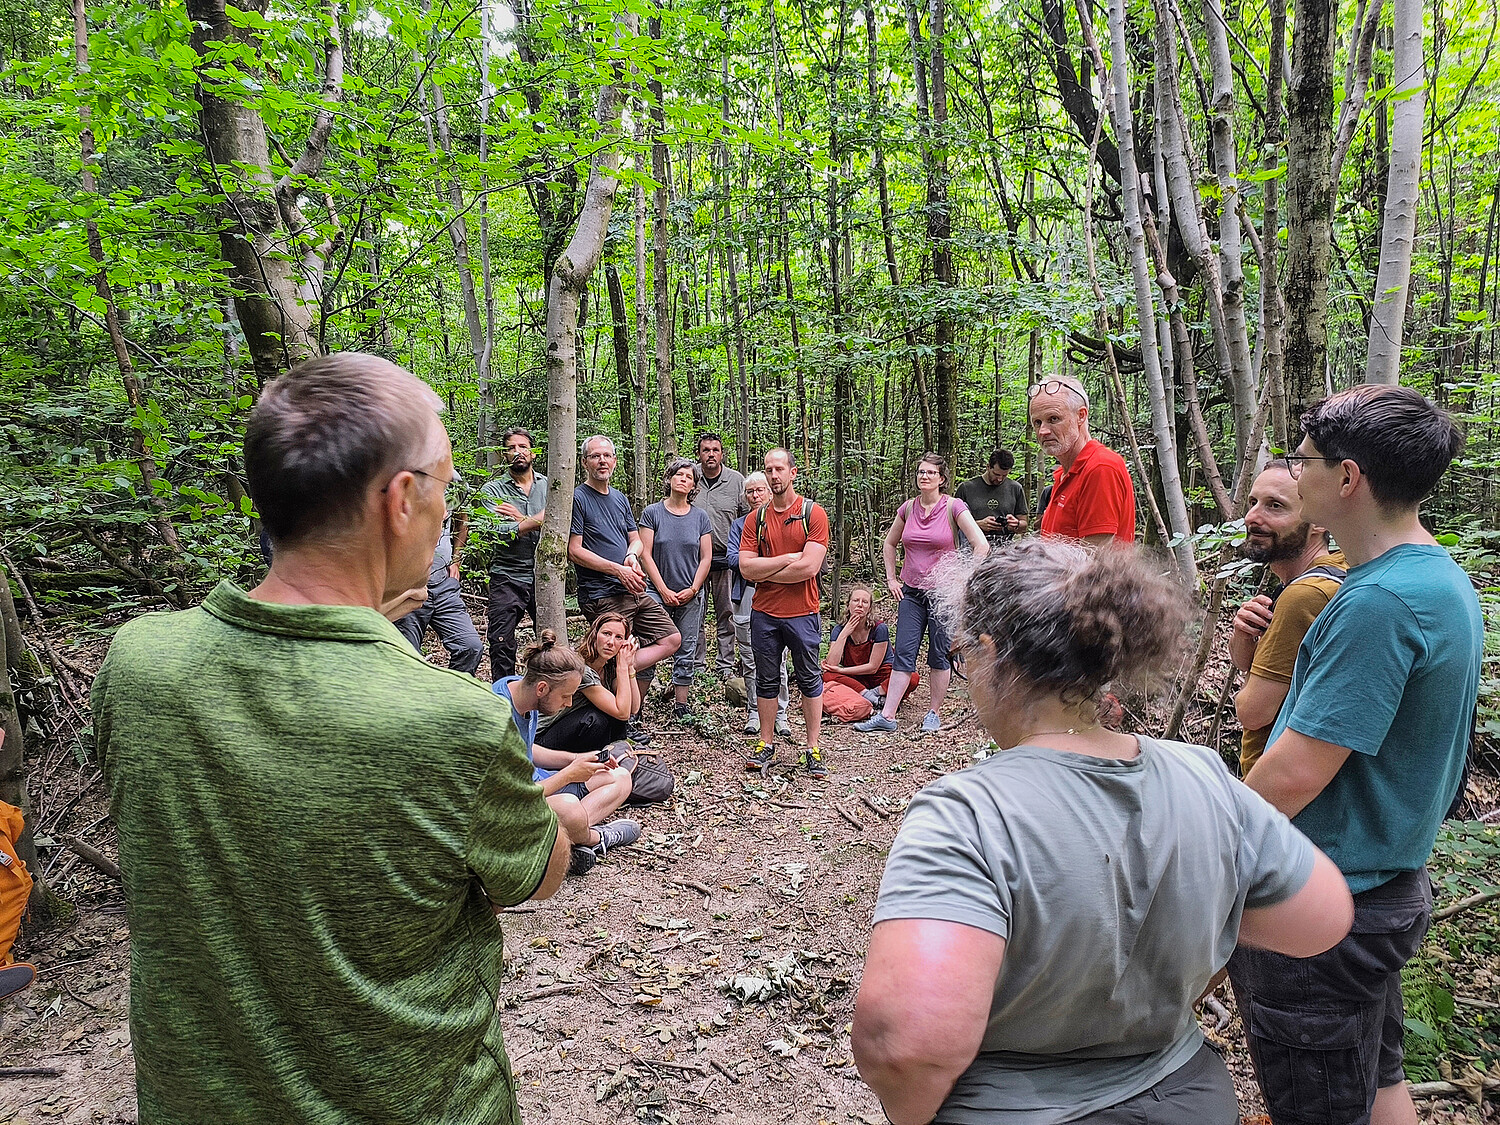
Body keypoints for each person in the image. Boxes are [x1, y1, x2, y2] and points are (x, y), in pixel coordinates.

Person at [91, 352, 571, 1125]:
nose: (449, 516)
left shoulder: (137, 664)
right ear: (401, 499)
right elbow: (537, 875)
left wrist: (364, 627)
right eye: (446, 489)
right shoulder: (452, 720)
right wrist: (566, 827)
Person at [852, 538, 1354, 1125]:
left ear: (989, 652)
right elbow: (1321, 916)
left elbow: (904, 1046)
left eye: (965, 655)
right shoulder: (1203, 775)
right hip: (1185, 1099)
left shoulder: (967, 813)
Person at [1232, 385, 1481, 1125]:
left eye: (1303, 461)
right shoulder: (1433, 578)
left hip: (1320, 905)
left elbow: (1296, 773)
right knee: (1377, 1086)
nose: (1293, 472)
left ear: (1348, 479)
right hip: (1378, 890)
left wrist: (1199, 838)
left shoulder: (1379, 604)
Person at [855, 453, 988, 735]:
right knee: (904, 652)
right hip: (911, 593)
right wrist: (891, 578)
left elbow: (981, 545)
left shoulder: (954, 507)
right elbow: (890, 544)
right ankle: (888, 715)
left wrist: (964, 581)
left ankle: (933, 713)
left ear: (942, 479)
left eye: (930, 473)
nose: (924, 477)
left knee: (939, 654)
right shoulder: (907, 508)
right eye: (920, 472)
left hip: (942, 594)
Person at [1229, 460, 1346, 776]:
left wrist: (1247, 693)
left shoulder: (1305, 596)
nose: (1252, 517)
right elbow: (1248, 662)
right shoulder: (1334, 572)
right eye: (1253, 502)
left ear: (1318, 521)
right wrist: (1244, 634)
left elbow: (1252, 712)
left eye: (1275, 506)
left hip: (1273, 789)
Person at [493, 634, 640, 878]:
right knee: (568, 807)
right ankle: (596, 837)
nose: (569, 703)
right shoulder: (498, 717)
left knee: (619, 777)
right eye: (565, 696)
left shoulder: (520, 688)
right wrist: (568, 775)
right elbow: (511, 796)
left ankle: (562, 839)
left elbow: (528, 749)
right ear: (542, 688)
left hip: (539, 786)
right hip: (515, 803)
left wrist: (575, 760)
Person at [568, 434, 682, 738]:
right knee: (616, 649)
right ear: (584, 463)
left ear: (615, 461)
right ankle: (620, 722)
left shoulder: (618, 498)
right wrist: (617, 569)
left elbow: (635, 540)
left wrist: (631, 557)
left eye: (607, 456)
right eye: (595, 456)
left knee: (671, 639)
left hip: (632, 588)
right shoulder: (578, 497)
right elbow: (574, 550)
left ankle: (614, 671)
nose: (602, 461)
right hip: (602, 593)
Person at [737, 448, 830, 777]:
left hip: (802, 611)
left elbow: (808, 568)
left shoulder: (812, 513)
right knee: (766, 678)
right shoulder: (756, 519)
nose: (774, 476)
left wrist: (764, 571)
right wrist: (784, 560)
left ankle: (812, 747)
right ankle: (765, 742)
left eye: (779, 469)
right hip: (764, 612)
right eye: (768, 470)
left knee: (808, 678)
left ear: (793, 472)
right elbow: (745, 568)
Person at [639, 459, 714, 719]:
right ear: (669, 479)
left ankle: (681, 705)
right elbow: (645, 554)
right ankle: (636, 708)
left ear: (694, 484)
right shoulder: (652, 513)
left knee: (687, 647)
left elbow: (706, 557)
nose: (683, 479)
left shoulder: (700, 516)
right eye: (678, 474)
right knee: (650, 646)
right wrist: (662, 589)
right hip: (655, 593)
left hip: (690, 595)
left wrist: (693, 589)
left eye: (689, 476)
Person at [1029, 376, 1136, 544]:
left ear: (1081, 415)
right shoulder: (1065, 474)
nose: (1043, 431)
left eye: (1053, 419)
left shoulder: (1100, 467)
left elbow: (1093, 561)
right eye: (1037, 422)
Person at [478, 425, 547, 679]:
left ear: (533, 453)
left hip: (543, 576)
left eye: (523, 447)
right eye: (511, 448)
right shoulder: (493, 491)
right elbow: (497, 532)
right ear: (504, 455)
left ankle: (547, 701)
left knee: (550, 642)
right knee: (501, 641)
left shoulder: (550, 486)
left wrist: (522, 520)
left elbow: (561, 525)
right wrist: (537, 519)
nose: (518, 452)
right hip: (507, 575)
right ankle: (505, 699)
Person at [728, 472, 790, 737]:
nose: (755, 496)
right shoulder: (740, 525)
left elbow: (795, 557)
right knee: (750, 659)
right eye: (750, 491)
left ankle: (781, 714)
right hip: (747, 596)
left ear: (769, 491)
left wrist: (759, 567)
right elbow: (734, 559)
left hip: (779, 596)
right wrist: (771, 566)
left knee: (780, 659)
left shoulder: (785, 519)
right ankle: (754, 711)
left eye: (760, 490)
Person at [391, 503, 484, 675]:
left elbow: (462, 519)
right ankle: (413, 699)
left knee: (470, 647)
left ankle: (451, 698)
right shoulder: (405, 483)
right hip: (409, 586)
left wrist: (456, 561)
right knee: (408, 655)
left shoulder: (456, 487)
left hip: (444, 586)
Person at [535, 612, 641, 756]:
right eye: (606, 633)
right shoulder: (581, 669)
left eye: (618, 637)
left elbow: (633, 708)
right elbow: (622, 712)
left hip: (571, 733)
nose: (611, 642)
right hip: (540, 742)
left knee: (612, 715)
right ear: (595, 634)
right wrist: (622, 667)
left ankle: (613, 757)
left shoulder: (609, 667)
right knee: (595, 718)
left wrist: (629, 667)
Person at [692, 433, 748, 678]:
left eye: (715, 450)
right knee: (695, 612)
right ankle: (696, 664)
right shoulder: (689, 477)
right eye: (706, 450)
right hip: (693, 559)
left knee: (726, 612)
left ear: (722, 454)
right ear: (699, 454)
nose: (711, 454)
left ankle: (725, 664)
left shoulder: (736, 481)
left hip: (726, 558)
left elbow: (748, 517)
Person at [822, 585, 897, 704]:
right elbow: (831, 663)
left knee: (911, 677)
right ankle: (875, 700)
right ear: (848, 605)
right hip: (855, 679)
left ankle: (871, 694)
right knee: (828, 676)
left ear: (869, 608)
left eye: (865, 602)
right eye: (856, 600)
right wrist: (844, 634)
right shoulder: (839, 629)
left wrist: (841, 671)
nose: (860, 605)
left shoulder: (879, 629)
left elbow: (873, 667)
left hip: (880, 677)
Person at [955, 449, 1028, 546]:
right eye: (996, 474)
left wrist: (1016, 524)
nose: (1000, 479)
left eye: (1004, 475)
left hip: (1005, 550)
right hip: (972, 547)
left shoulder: (1015, 488)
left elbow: (1024, 525)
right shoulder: (966, 488)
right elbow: (952, 525)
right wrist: (978, 525)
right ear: (988, 467)